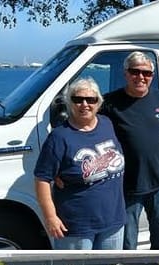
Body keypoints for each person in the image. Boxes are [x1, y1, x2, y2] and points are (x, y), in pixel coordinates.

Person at [101, 51, 159, 249]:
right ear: (126, 74)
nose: (141, 77)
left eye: (146, 73)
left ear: (152, 76)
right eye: (135, 71)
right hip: (127, 185)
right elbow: (87, 130)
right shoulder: (109, 103)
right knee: (128, 242)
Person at [34, 77, 126, 250]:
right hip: (76, 227)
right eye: (78, 99)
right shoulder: (59, 137)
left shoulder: (107, 124)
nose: (85, 104)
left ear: (98, 103)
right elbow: (42, 179)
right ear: (70, 102)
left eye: (91, 100)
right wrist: (51, 217)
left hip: (113, 221)